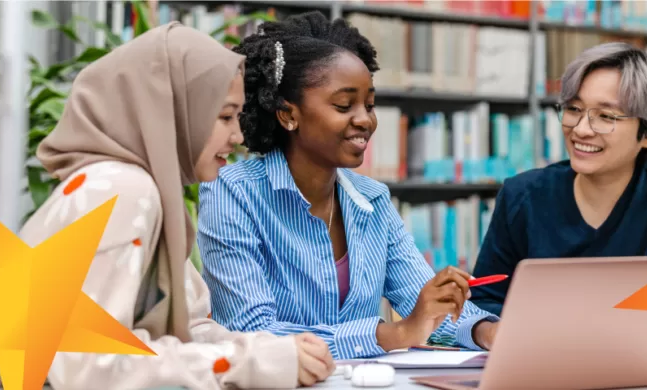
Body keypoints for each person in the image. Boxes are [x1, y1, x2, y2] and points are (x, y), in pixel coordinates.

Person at [19, 22, 335, 389]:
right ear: (170, 111)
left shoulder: (146, 191)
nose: (237, 136)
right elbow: (91, 367)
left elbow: (191, 328)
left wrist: (273, 351)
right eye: (224, 116)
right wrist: (252, 361)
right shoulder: (124, 190)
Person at [195, 12, 500, 360]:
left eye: (369, 105)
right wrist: (393, 333)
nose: (365, 120)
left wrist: (487, 331)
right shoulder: (232, 192)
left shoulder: (373, 200)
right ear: (288, 115)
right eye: (344, 105)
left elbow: (424, 306)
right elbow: (251, 331)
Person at [470, 42, 647, 316]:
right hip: (544, 357)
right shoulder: (521, 194)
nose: (581, 129)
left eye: (605, 116)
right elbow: (484, 301)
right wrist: (490, 332)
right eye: (574, 109)